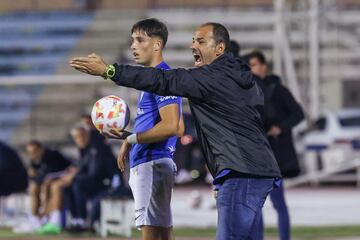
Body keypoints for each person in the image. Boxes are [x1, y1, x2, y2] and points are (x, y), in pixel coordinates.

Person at [70, 22, 281, 240]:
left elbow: (164, 82)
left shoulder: (211, 78)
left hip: (240, 171)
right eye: (192, 40)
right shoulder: (240, 78)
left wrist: (109, 70)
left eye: (200, 41)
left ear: (220, 48)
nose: (192, 45)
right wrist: (129, 139)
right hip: (252, 169)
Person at [101, 18, 184, 240]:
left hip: (151, 163)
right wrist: (129, 138)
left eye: (139, 40)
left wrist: (133, 140)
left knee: (149, 231)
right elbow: (180, 126)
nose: (133, 46)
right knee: (163, 232)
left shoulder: (162, 78)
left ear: (157, 45)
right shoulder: (158, 79)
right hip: (156, 162)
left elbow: (171, 126)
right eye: (132, 40)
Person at [248, 50, 304, 240]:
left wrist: (279, 127)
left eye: (254, 64)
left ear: (264, 65)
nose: (251, 69)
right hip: (258, 153)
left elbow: (298, 113)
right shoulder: (250, 88)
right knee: (256, 204)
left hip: (276, 156)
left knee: (277, 201)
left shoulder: (278, 89)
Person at [26, 140, 70, 230]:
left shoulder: (52, 155)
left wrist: (38, 177)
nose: (32, 154)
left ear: (40, 149)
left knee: (51, 187)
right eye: (30, 152)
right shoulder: (34, 160)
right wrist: (33, 176)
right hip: (48, 180)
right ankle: (35, 218)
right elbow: (35, 177)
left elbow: (50, 174)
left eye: (34, 151)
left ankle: (51, 218)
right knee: (33, 188)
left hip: (63, 176)